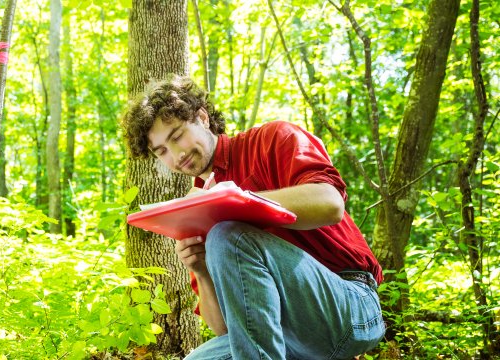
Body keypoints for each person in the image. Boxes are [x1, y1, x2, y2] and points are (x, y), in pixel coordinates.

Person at [121, 75, 385, 359]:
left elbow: (330, 204)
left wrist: (232, 202)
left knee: (226, 236)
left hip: (351, 305)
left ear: (202, 117)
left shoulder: (273, 139)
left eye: (177, 135)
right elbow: (226, 329)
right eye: (161, 151)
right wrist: (201, 270)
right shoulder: (193, 208)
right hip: (276, 330)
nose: (176, 154)